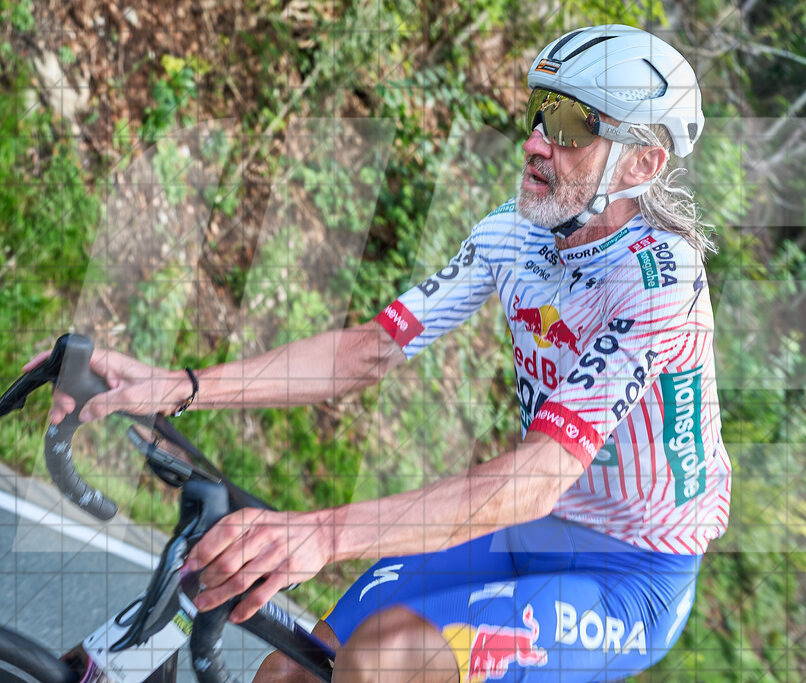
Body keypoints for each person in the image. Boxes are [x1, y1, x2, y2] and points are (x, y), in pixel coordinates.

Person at [28, 24, 731, 682]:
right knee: (288, 671)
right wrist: (178, 385)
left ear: (642, 162)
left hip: (629, 572)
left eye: (574, 126)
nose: (536, 142)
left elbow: (539, 475)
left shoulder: (659, 282)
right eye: (541, 114)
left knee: (385, 659)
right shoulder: (512, 234)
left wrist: (322, 534)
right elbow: (367, 351)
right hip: (524, 529)